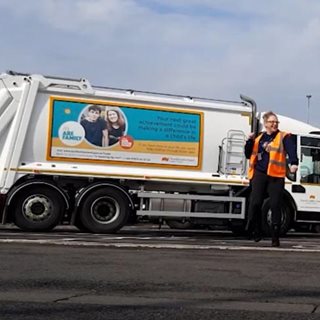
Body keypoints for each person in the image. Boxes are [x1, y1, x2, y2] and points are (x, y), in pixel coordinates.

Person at [244, 111, 298, 247]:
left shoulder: (283, 137)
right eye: (272, 122)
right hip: (260, 174)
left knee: (275, 205)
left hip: (276, 175)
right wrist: (249, 141)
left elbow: (291, 150)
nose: (274, 124)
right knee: (255, 202)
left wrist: (294, 162)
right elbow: (247, 154)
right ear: (265, 123)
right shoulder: (259, 138)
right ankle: (256, 229)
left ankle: (275, 236)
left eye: (276, 122)